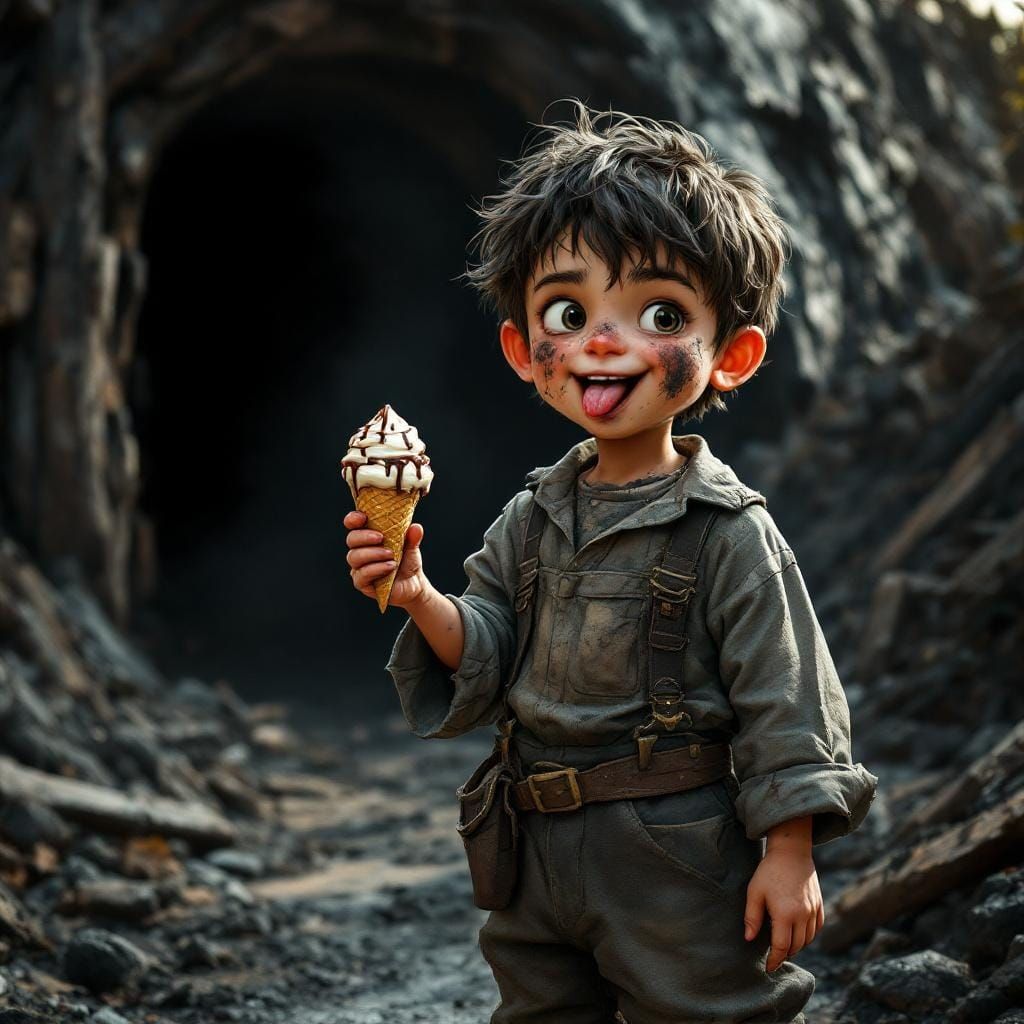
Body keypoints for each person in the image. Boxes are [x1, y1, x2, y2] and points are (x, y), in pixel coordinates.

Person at [343, 101, 877, 1024]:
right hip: (532, 842)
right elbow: (491, 645)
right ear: (522, 348)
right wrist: (416, 592)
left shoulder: (728, 533)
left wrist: (788, 852)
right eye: (567, 309)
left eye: (659, 312)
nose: (601, 339)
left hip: (680, 851)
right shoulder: (531, 517)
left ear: (730, 356)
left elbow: (786, 696)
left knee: (706, 1009)